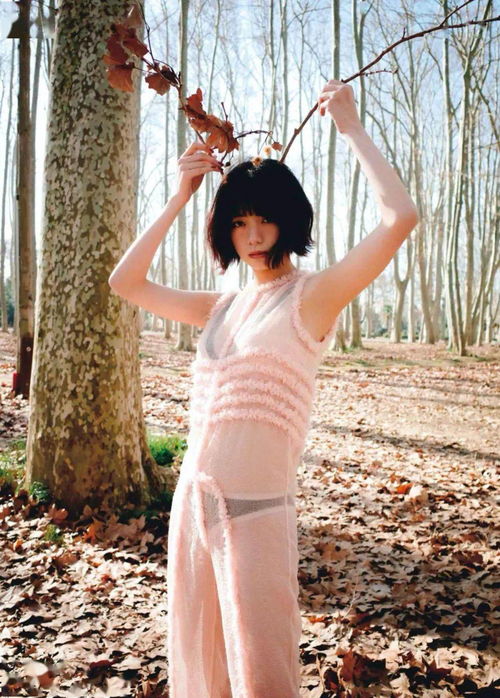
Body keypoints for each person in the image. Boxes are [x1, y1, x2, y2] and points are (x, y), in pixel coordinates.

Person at [109, 79, 418, 697]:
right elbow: (126, 282)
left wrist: (350, 126)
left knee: (263, 676)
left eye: (265, 219)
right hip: (192, 504)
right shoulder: (221, 306)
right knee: (201, 671)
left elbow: (400, 218)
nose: (253, 236)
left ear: (289, 220)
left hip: (255, 510)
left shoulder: (313, 297)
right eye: (240, 222)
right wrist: (180, 196)